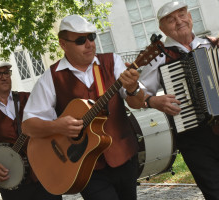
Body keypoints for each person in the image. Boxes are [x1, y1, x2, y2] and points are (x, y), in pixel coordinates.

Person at [139, 1, 219, 200]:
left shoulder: (217, 45)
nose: (179, 21)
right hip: (192, 136)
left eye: (182, 14)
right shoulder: (158, 57)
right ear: (162, 28)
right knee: (216, 193)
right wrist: (152, 100)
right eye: (171, 19)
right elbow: (135, 92)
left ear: (190, 17)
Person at [22, 15, 145, 200]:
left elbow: (137, 103)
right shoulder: (51, 78)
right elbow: (28, 125)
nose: (89, 44)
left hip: (123, 155)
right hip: (86, 168)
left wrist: (134, 88)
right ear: (63, 44)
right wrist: (57, 126)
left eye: (91, 37)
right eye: (80, 40)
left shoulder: (113, 62)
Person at [0, 60, 62, 200]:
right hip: (12, 184)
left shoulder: (30, 98)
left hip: (45, 174)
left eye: (6, 72)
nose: (4, 77)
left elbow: (54, 125)